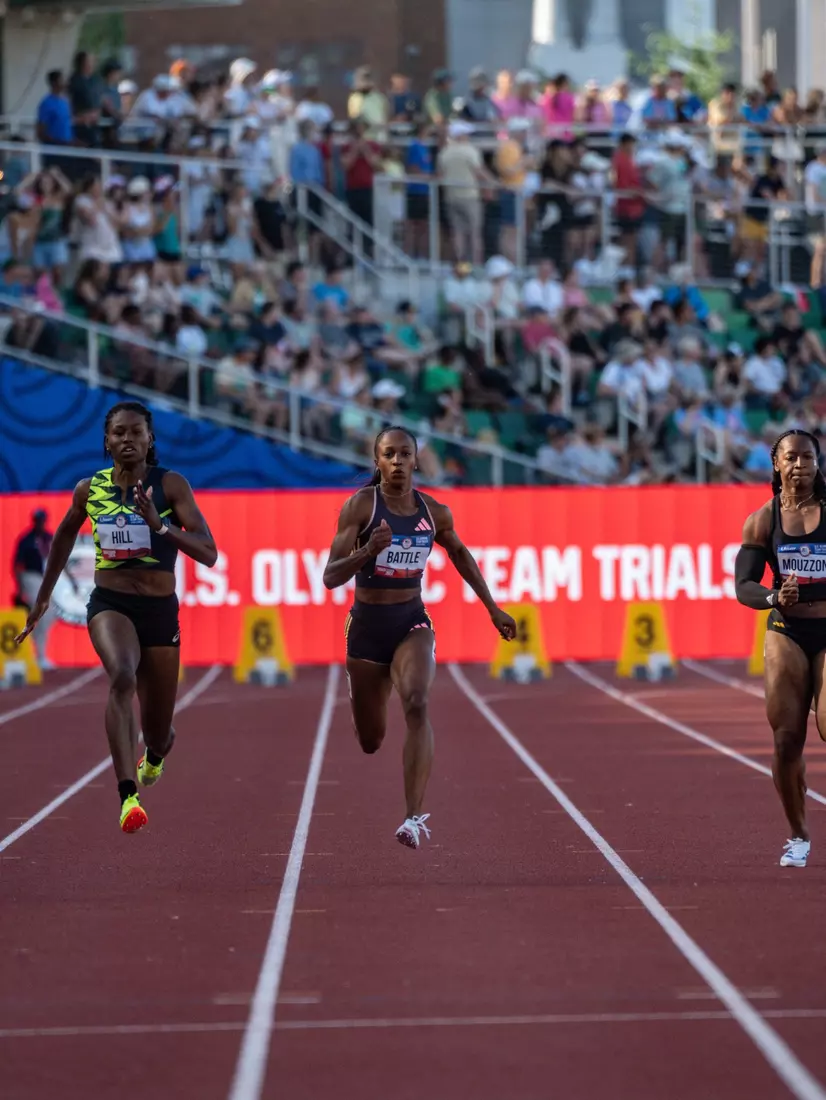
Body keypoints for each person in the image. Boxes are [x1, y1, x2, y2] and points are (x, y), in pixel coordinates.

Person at [15, 401, 217, 834]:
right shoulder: (90, 489)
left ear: (150, 439)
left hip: (160, 613)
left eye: (136, 432)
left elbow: (209, 552)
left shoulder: (170, 486)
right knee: (122, 677)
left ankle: (156, 755)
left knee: (159, 732)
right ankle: (129, 796)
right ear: (107, 441)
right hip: (111, 604)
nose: (128, 440)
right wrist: (43, 598)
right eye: (119, 433)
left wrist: (160, 527)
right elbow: (66, 534)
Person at [323, 425, 516, 848]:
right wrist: (366, 552)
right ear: (377, 462)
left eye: (404, 454)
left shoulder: (434, 513)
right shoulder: (360, 507)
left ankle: (412, 817)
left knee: (417, 700)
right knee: (371, 741)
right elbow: (330, 577)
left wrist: (492, 608)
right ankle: (363, 693)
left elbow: (461, 554)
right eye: (388, 455)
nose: (396, 462)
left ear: (416, 460)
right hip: (366, 629)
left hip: (411, 621)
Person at [734, 428, 826, 868]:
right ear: (777, 463)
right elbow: (744, 586)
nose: (800, 466)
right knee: (787, 741)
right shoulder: (762, 520)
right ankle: (799, 835)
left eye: (808, 458)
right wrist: (774, 597)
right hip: (786, 630)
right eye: (791, 458)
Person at [13, 509, 56, 669]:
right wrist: (20, 587)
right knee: (41, 614)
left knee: (50, 613)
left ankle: (38, 651)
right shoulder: (27, 539)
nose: (40, 523)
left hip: (46, 577)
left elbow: (58, 558)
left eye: (42, 520)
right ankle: (40, 656)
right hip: (31, 576)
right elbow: (17, 565)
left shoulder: (49, 537)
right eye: (38, 520)